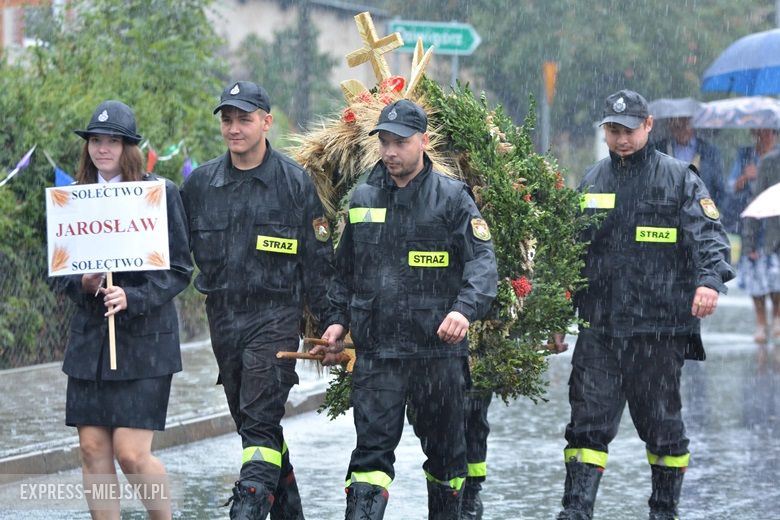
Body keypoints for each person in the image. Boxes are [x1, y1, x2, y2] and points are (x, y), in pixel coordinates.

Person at [313, 99, 498, 520]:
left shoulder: (452, 199)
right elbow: (344, 271)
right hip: (379, 357)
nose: (390, 151)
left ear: (423, 141)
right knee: (370, 459)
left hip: (437, 355)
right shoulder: (363, 197)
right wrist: (337, 320)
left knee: (447, 460)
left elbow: (482, 262)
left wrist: (464, 310)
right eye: (384, 142)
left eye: (400, 142)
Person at [557, 90, 735, 520]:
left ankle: (663, 511)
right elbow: (569, 253)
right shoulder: (593, 180)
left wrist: (709, 282)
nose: (620, 139)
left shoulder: (679, 179)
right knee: (586, 426)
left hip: (659, 330)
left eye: (628, 131)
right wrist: (557, 314)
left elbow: (711, 239)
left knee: (663, 429)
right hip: (600, 329)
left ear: (648, 126)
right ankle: (576, 511)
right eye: (612, 131)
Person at [180, 81, 335, 519]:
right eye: (227, 120)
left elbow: (317, 263)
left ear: (266, 122)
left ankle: (245, 512)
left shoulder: (293, 184)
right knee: (254, 429)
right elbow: (171, 252)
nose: (234, 128)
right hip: (223, 321)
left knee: (260, 422)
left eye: (244, 119)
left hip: (274, 318)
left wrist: (332, 325)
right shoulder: (200, 186)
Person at [62, 100, 193, 519]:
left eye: (112, 142)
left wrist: (132, 297)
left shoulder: (160, 194)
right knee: (92, 448)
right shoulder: (72, 201)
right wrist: (83, 283)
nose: (102, 149)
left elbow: (179, 270)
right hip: (91, 346)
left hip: (145, 345)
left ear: (128, 148)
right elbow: (60, 272)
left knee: (131, 454)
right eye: (95, 141)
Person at [727, 129, 780, 343]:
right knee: (754, 277)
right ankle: (761, 322)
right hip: (752, 217)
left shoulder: (775, 159)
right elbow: (731, 187)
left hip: (775, 222)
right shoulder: (746, 156)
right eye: (760, 133)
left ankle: (776, 319)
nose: (764, 137)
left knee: (776, 277)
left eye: (768, 134)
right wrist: (745, 177)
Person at [741, 142, 780, 342]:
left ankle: (776, 320)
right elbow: (756, 202)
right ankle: (762, 324)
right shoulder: (770, 162)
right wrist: (749, 243)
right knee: (759, 283)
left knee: (776, 284)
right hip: (767, 233)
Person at [654, 116, 726, 219]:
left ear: (694, 126)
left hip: (701, 214)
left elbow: (719, 187)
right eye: (678, 126)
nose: (682, 130)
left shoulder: (710, 152)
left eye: (686, 125)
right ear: (671, 126)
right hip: (667, 215)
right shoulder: (659, 149)